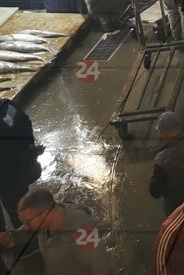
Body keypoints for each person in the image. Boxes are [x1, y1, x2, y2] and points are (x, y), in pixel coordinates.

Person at [0, 187, 109, 274]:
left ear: (46, 213)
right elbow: (24, 232)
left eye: (28, 221)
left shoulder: (84, 232)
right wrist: (10, 238)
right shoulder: (46, 220)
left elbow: (101, 267)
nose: (25, 226)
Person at [0, 100, 41, 231]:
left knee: (18, 208)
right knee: (20, 207)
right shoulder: (6, 107)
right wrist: (29, 148)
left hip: (10, 175)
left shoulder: (6, 107)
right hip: (14, 174)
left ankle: (20, 234)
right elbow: (24, 123)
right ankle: (27, 232)